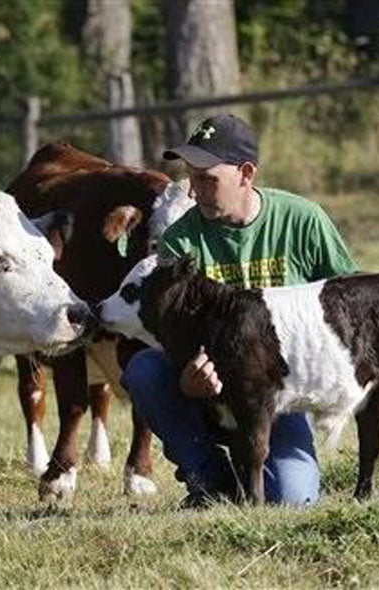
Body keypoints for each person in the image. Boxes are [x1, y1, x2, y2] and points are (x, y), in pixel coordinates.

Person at [121, 113, 360, 507]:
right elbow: (170, 334)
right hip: (209, 395)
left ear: (246, 173)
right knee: (144, 370)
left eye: (207, 179)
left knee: (293, 500)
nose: (194, 191)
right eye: (191, 177)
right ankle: (211, 481)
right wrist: (186, 379)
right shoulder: (180, 242)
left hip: (277, 398)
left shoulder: (302, 222)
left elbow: (355, 305)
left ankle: (265, 470)